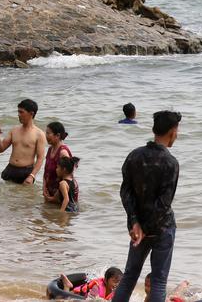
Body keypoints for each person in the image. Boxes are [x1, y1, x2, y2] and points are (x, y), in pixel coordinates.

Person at [112, 111, 182, 302]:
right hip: (162, 227)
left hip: (138, 230)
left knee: (129, 277)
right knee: (158, 282)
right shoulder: (170, 163)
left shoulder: (134, 156)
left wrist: (135, 223)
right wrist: (147, 228)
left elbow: (126, 193)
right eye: (177, 130)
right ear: (172, 131)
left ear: (154, 130)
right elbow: (164, 203)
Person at [0, 98, 46, 185]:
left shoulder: (39, 134)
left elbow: (40, 158)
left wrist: (32, 175)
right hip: (10, 169)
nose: (18, 115)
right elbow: (1, 149)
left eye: (21, 112)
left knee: (24, 198)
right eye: (18, 112)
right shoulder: (14, 130)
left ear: (31, 113)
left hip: (26, 172)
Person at [43, 121, 73, 203]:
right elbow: (46, 171)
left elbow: (68, 176)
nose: (46, 136)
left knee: (60, 215)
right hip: (49, 192)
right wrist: (44, 187)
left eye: (48, 133)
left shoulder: (63, 152)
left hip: (61, 195)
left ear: (58, 135)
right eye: (46, 133)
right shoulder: (50, 149)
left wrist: (56, 196)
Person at [58, 268, 123, 300]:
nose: (117, 284)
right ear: (105, 280)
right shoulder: (97, 287)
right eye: (115, 281)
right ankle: (67, 285)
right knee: (64, 299)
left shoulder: (116, 289)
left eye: (119, 282)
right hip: (78, 293)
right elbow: (91, 300)